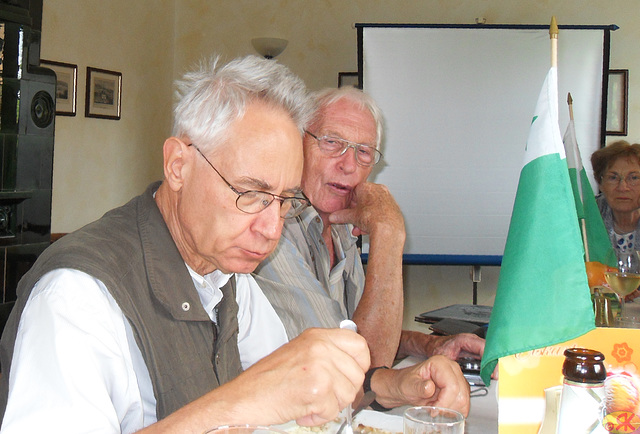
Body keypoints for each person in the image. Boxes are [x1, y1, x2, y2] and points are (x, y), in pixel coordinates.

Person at [0, 56, 467, 433]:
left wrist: (395, 385)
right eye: (250, 194)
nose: (271, 228)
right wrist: (241, 399)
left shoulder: (227, 275)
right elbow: (261, 389)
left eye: (284, 201)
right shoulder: (77, 297)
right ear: (178, 165)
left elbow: (299, 387)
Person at [254, 87, 488, 375]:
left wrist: (431, 345)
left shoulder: (340, 229)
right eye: (331, 142)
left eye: (363, 152)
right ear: (299, 143)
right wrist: (388, 233)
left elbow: (361, 328)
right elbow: (363, 364)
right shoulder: (274, 228)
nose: (348, 164)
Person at [591, 140, 640, 300]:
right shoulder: (585, 218)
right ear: (601, 183)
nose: (623, 187)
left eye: (634, 177)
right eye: (613, 177)